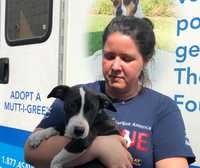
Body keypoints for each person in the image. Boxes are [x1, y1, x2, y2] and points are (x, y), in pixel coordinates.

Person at [24, 16, 195, 168]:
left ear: (146, 60)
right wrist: (97, 147)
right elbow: (31, 153)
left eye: (127, 58)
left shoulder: (163, 109)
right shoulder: (78, 95)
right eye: (109, 56)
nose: (115, 66)